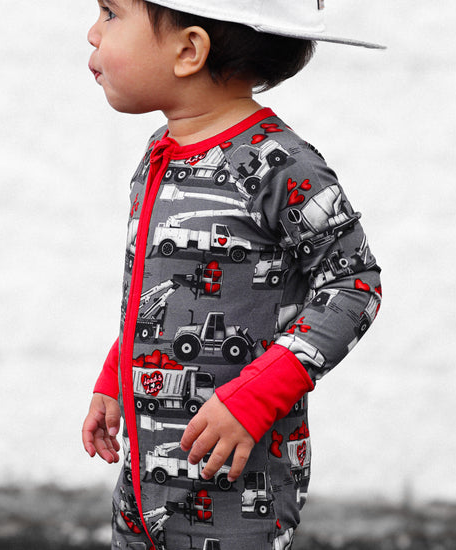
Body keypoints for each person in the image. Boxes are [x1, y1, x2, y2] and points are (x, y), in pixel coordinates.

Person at [81, 1, 383, 549]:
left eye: (110, 13)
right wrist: (115, 375)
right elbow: (159, 293)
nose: (92, 33)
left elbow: (353, 285)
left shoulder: (279, 164)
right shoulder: (160, 155)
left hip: (237, 497)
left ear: (189, 50)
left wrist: (260, 394)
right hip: (144, 494)